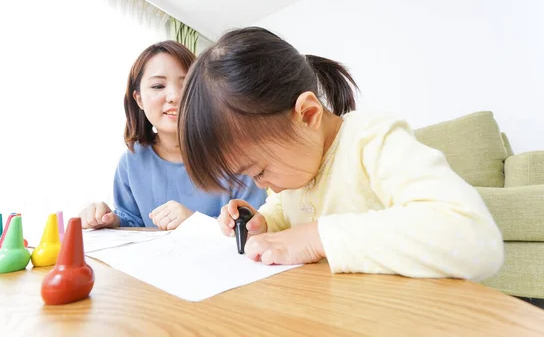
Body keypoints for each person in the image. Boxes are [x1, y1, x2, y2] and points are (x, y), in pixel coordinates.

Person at [177, 27, 504, 281]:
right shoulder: (292, 180)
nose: (266, 186)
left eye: (259, 170)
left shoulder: (371, 141)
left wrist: (317, 236)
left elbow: (474, 237)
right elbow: (282, 214)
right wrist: (263, 225)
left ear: (307, 115)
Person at [79, 41, 267, 230]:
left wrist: (194, 223)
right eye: (158, 86)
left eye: (185, 85)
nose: (174, 96)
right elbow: (133, 221)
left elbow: (258, 226)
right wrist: (110, 220)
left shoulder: (236, 155)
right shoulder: (131, 161)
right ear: (139, 99)